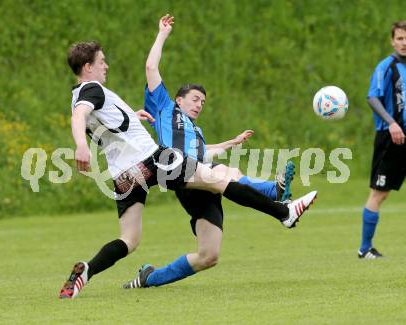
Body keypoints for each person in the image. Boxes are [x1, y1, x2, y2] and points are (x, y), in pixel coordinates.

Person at [59, 39, 317, 298]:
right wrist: (81, 145)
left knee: (129, 239)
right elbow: (80, 115)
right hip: (149, 159)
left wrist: (129, 117)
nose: (106, 65)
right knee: (218, 178)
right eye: (101, 61)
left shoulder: (78, 95)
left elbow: (93, 116)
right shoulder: (92, 89)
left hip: (124, 175)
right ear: (87, 67)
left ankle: (87, 271)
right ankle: (283, 212)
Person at [122, 15, 312, 289]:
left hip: (197, 176)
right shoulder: (164, 106)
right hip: (179, 171)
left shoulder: (196, 131)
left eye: (203, 102)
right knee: (226, 172)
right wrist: (162, 34)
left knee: (208, 255)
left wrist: (229, 143)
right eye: (195, 99)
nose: (199, 104)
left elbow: (202, 153)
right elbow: (151, 66)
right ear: (179, 99)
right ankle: (278, 200)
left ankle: (148, 278)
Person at [358, 21, 406, 259]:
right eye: (399, 38)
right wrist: (392, 123)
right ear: (392, 41)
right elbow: (372, 98)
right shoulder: (386, 67)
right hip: (391, 139)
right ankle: (365, 248)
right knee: (380, 193)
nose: (404, 43)